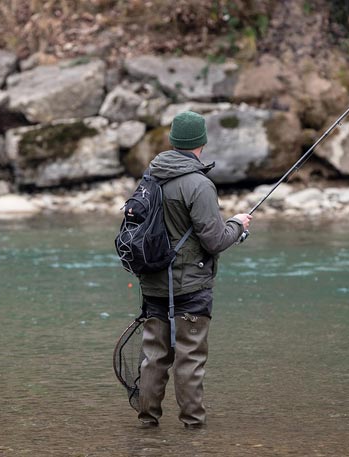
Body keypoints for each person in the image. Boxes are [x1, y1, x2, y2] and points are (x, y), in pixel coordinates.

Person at [137, 110, 252, 429]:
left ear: (174, 140)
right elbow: (214, 240)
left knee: (155, 357)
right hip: (190, 287)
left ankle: (147, 422)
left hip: (153, 283)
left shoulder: (151, 176)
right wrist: (237, 224)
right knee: (190, 357)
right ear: (201, 142)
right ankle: (193, 426)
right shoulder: (198, 184)